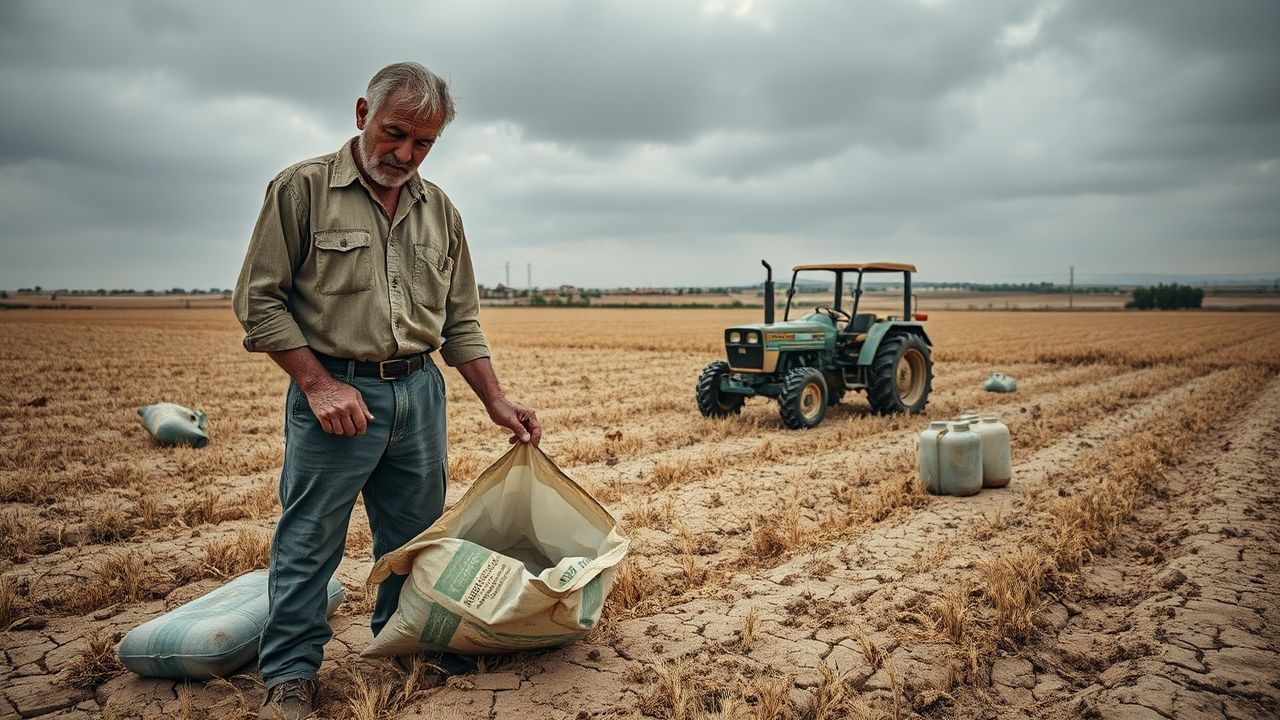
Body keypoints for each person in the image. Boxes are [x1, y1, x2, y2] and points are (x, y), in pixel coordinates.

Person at [233, 62, 541, 720]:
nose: (405, 154)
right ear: (361, 114)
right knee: (309, 540)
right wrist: (317, 385)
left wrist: (495, 399)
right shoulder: (301, 191)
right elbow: (259, 305)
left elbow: (460, 321)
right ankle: (289, 675)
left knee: (416, 539)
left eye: (423, 143)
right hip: (337, 398)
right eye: (394, 134)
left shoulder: (442, 210)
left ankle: (406, 642)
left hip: (420, 394)